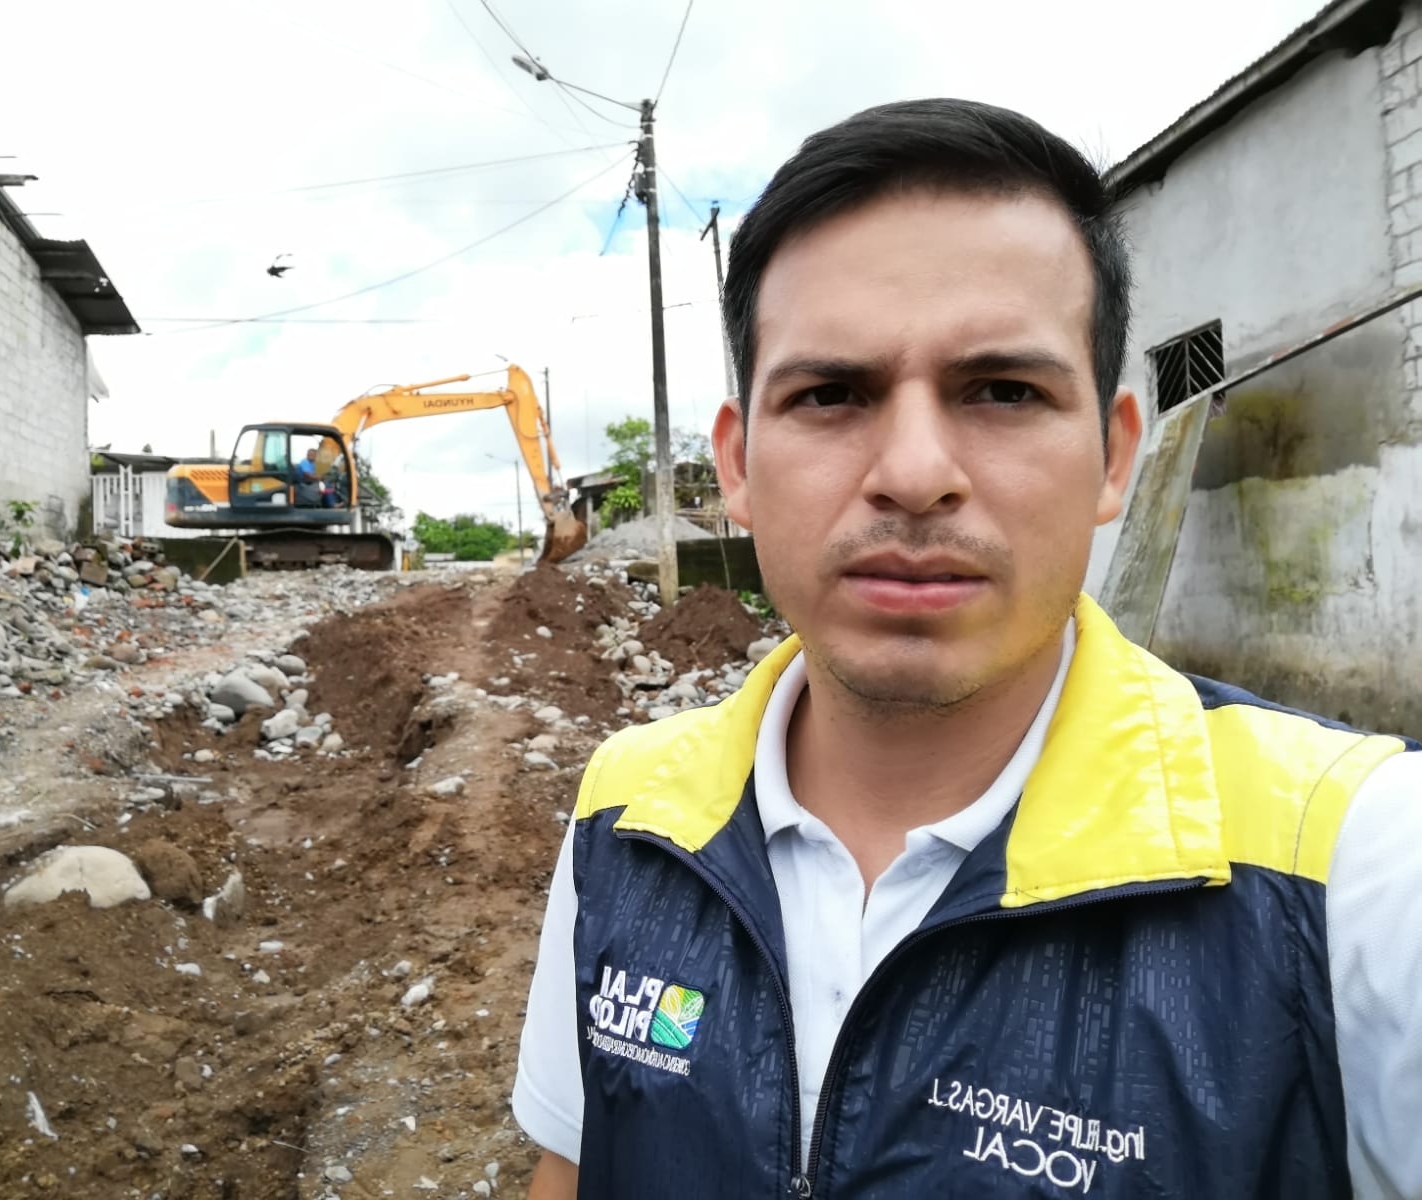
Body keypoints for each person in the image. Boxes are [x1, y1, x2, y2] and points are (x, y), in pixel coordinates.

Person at [512, 98, 1422, 1199]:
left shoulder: (1354, 870)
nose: (913, 473)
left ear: (1112, 457)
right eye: (831, 393)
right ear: (739, 465)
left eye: (1002, 391)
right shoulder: (627, 813)